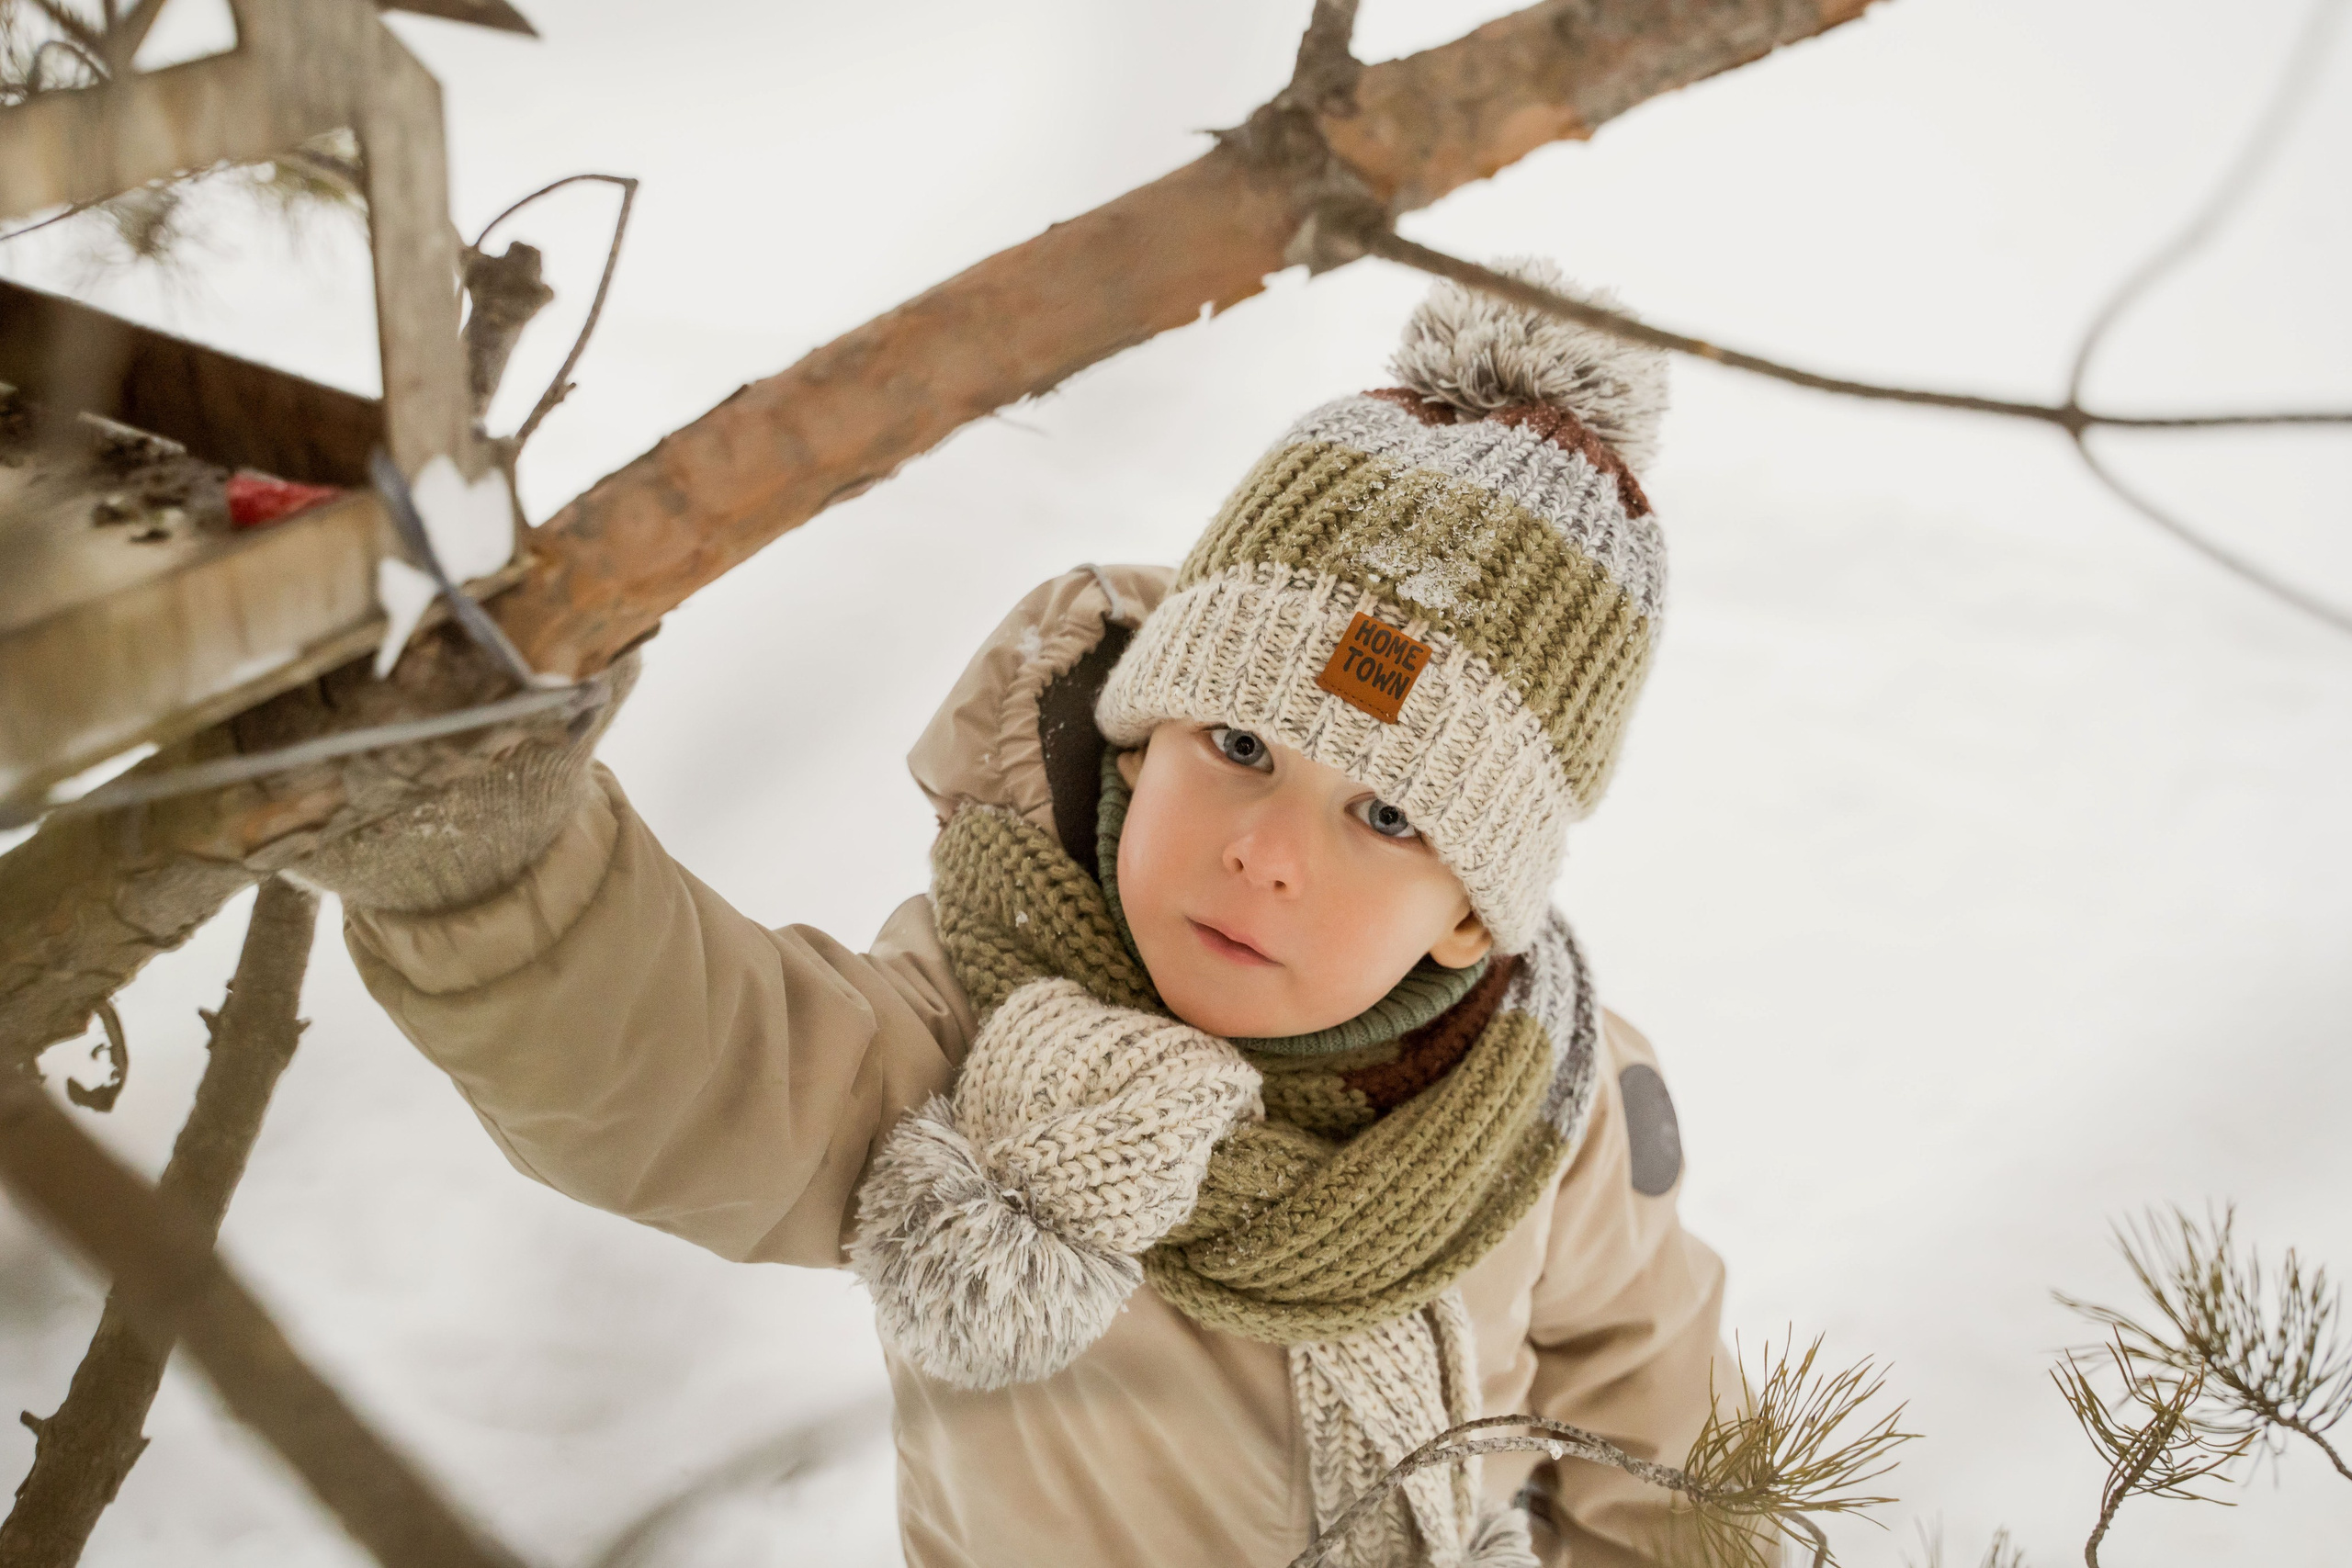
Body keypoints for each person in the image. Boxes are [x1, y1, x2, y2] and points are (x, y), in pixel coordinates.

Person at [299, 260, 1738, 1568]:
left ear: (1473, 918)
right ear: (1139, 736)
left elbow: (1656, 1423)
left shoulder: (1557, 1101)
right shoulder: (981, 1020)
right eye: (1239, 750)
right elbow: (687, 1072)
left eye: (1384, 816)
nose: (1268, 857)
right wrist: (485, 850)